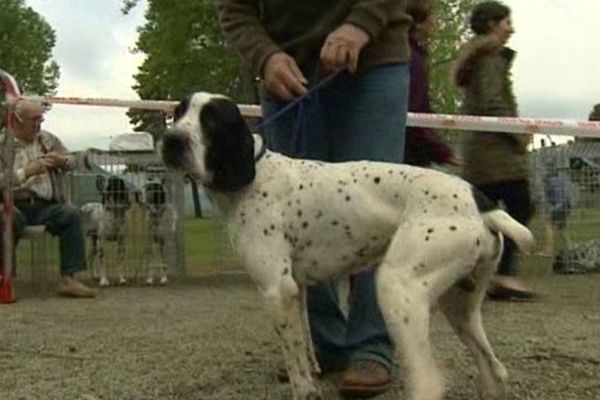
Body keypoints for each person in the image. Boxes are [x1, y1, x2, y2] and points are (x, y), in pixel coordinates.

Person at [217, 1, 411, 396]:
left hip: (374, 59)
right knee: (294, 223)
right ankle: (323, 346)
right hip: (285, 71)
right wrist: (264, 55)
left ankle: (372, 345)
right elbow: (234, 8)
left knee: (374, 215)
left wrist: (361, 24)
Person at [453, 1, 534, 300]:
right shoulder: (491, 59)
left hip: (481, 153)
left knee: (479, 213)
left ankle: (469, 270)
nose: (511, 29)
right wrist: (518, 135)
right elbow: (492, 102)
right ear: (491, 24)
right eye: (506, 22)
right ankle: (503, 275)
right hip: (498, 153)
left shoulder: (479, 58)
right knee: (521, 207)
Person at [0, 99, 95, 298]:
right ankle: (6, 280)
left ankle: (70, 279)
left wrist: (63, 161)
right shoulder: (3, 144)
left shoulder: (48, 140)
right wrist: (26, 172)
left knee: (70, 214)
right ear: (16, 119)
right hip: (12, 203)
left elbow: (73, 162)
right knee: (6, 217)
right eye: (33, 119)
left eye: (41, 119)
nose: (38, 124)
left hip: (46, 206)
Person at [405, 0, 457, 167]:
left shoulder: (412, 55)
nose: (435, 22)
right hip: (410, 156)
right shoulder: (413, 59)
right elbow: (416, 108)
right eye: (432, 17)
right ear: (419, 24)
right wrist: (440, 151)